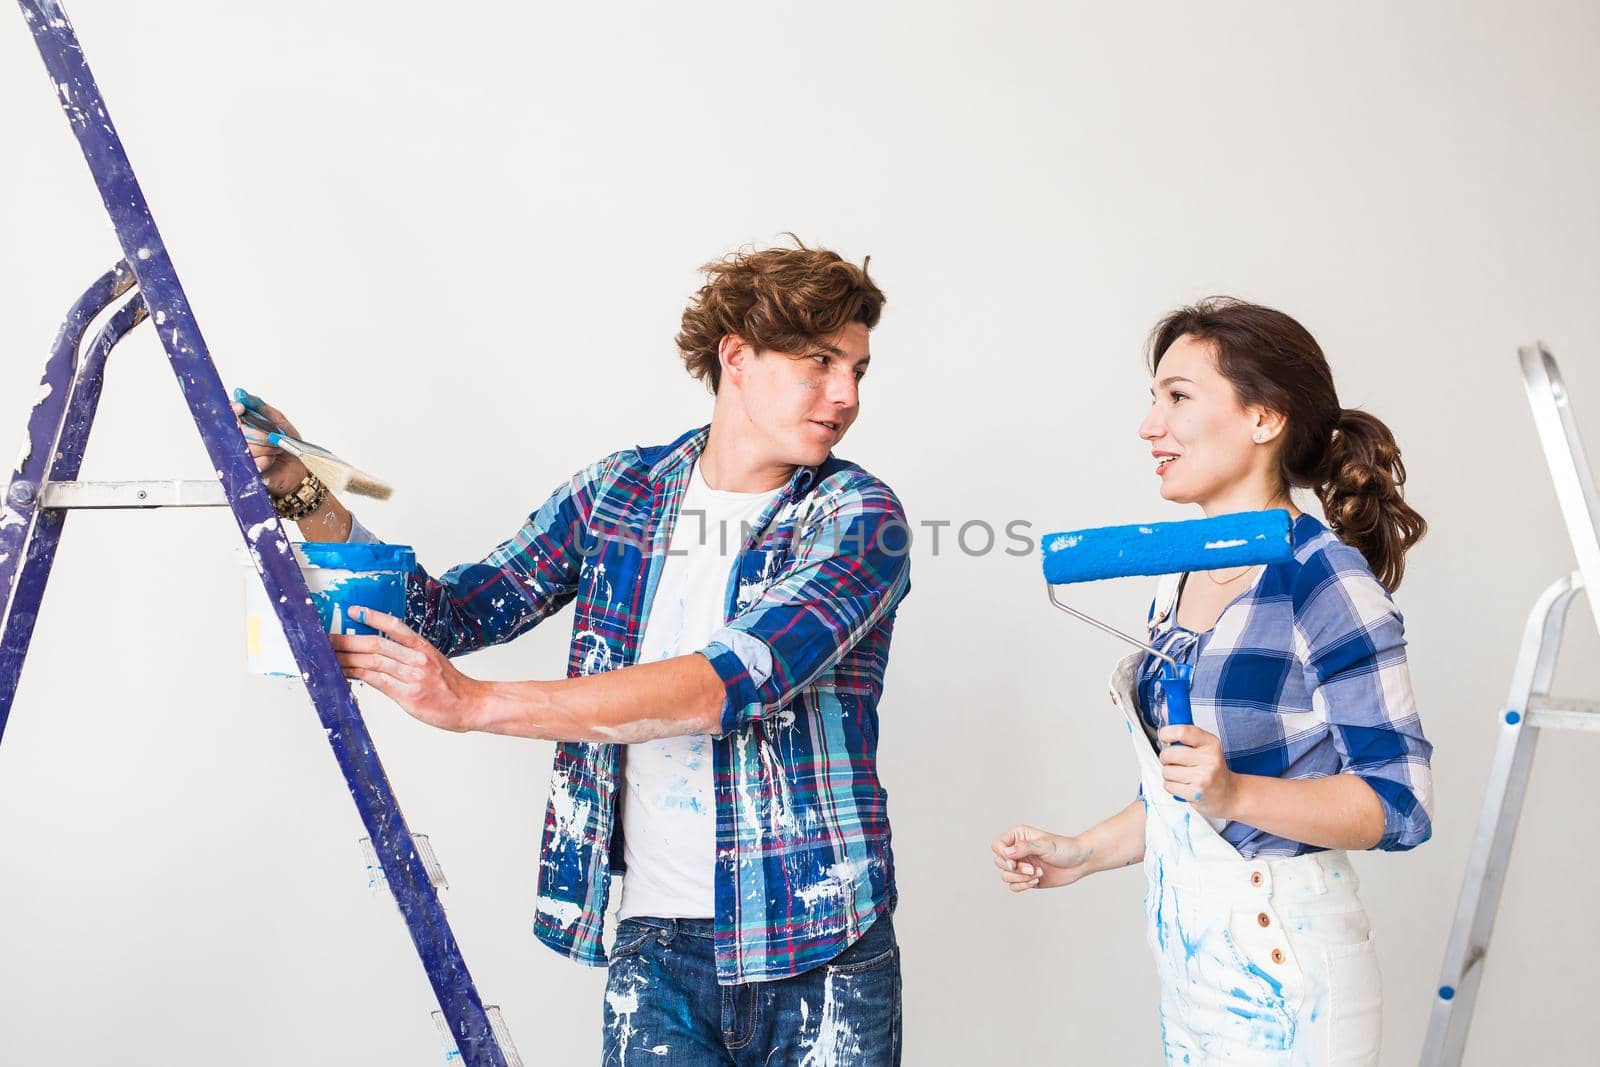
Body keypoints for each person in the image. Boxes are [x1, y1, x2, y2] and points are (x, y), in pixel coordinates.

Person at [237, 240, 910, 1065]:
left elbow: (721, 687)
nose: (845, 394)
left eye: (858, 370)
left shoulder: (859, 517)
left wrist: (478, 704)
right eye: (820, 361)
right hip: (658, 946)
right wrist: (307, 494)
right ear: (737, 356)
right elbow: (453, 612)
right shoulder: (621, 494)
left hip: (822, 945)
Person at [992, 298, 1433, 1065]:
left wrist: (1237, 792)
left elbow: (1399, 802)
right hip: (1192, 965)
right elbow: (1186, 794)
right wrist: (1082, 851)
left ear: (1264, 418)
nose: (1149, 425)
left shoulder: (1323, 579)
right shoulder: (1182, 573)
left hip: (1288, 968)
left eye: (1178, 397)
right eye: (1153, 398)